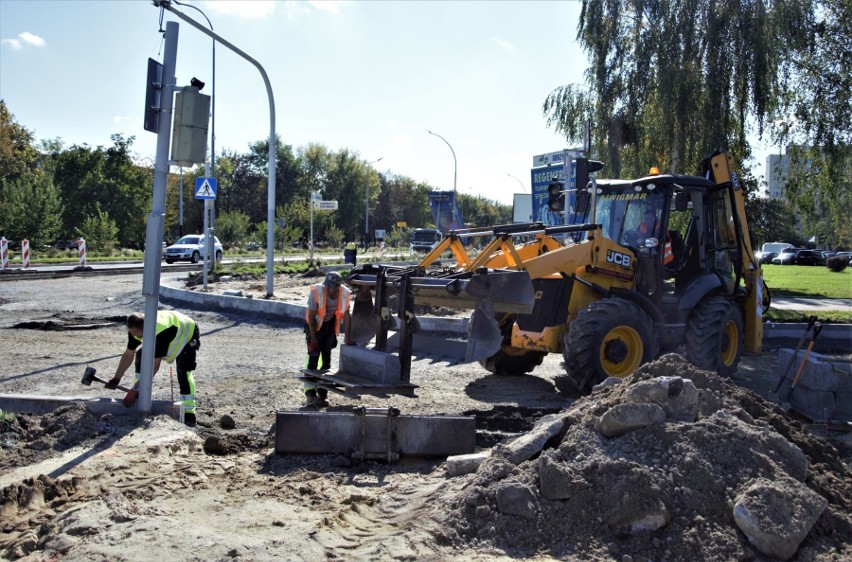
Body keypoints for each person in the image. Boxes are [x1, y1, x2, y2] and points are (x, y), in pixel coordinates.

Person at [107, 310, 201, 427]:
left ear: (146, 330)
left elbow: (154, 367)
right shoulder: (135, 329)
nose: (134, 337)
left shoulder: (161, 334)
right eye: (132, 333)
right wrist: (117, 378)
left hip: (187, 333)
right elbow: (128, 354)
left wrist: (135, 388)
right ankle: (140, 395)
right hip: (169, 332)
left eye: (137, 335)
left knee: (183, 371)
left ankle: (189, 413)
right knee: (141, 356)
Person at [303, 271, 352, 406]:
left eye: (331, 286)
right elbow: (312, 317)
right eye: (327, 285)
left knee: (326, 360)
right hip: (313, 325)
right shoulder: (317, 291)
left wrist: (347, 337)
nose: (327, 288)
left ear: (338, 286)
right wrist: (313, 339)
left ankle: (323, 394)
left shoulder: (344, 293)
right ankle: (310, 395)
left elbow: (347, 315)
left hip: (329, 325)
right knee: (313, 358)